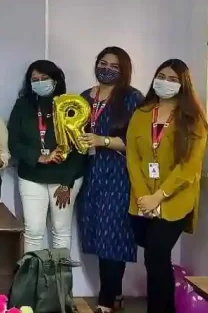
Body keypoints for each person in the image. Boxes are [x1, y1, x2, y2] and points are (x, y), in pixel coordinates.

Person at [127, 59, 208, 313]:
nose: (165, 82)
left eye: (173, 79)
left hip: (175, 200)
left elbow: (189, 167)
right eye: (161, 76)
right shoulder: (141, 114)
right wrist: (144, 195)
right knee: (151, 257)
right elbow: (133, 157)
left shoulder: (194, 120)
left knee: (157, 255)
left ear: (183, 85)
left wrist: (159, 196)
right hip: (142, 199)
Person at [75, 48, 144, 313]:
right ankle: (115, 294)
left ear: (123, 70)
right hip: (90, 173)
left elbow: (137, 141)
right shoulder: (84, 97)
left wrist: (102, 140)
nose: (107, 69)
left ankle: (106, 301)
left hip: (118, 174)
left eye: (114, 66)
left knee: (113, 236)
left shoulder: (132, 98)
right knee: (95, 233)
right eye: (103, 63)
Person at [8, 60, 86, 252]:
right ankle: (32, 272)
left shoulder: (70, 105)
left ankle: (60, 273)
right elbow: (13, 143)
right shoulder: (22, 105)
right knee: (33, 231)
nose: (40, 82)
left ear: (56, 80)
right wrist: (38, 157)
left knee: (61, 230)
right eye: (35, 79)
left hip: (64, 177)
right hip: (32, 176)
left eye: (44, 78)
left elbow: (80, 148)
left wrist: (67, 183)